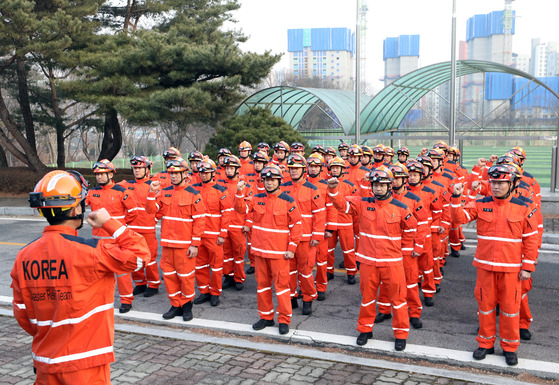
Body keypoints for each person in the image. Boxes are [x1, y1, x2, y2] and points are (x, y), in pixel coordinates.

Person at [12, 170, 150, 384]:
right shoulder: (92, 250)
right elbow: (140, 257)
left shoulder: (24, 256)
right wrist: (110, 223)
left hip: (45, 362)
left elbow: (22, 313)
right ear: (76, 207)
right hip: (86, 364)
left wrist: (51, 336)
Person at [451, 165, 539, 366]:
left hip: (511, 270)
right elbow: (458, 219)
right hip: (485, 268)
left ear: (513, 184)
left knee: (510, 309)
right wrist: (456, 199)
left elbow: (531, 239)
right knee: (485, 307)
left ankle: (509, 347)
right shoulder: (480, 203)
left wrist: (527, 267)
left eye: (501, 183)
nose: (496, 186)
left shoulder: (524, 206)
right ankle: (485, 343)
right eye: (493, 182)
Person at [328, 166, 418, 351]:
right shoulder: (362, 203)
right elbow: (342, 206)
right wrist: (334, 190)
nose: (377, 188)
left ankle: (401, 334)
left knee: (398, 299)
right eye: (375, 185)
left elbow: (411, 228)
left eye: (382, 185)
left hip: (392, 263)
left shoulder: (401, 207)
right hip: (368, 261)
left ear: (389, 186)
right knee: (367, 298)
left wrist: (400, 249)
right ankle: (365, 329)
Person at [234, 164, 303, 335]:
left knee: (282, 287)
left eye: (272, 180)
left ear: (279, 181)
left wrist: (292, 248)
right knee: (262, 286)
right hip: (260, 252)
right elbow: (240, 209)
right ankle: (265, 317)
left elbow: (297, 226)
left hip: (280, 254)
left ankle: (284, 319)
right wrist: (239, 193)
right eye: (266, 180)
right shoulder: (256, 198)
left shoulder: (288, 201)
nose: (269, 183)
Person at [145, 158, 206, 322]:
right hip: (167, 244)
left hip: (184, 245)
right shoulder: (164, 192)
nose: (172, 176)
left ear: (185, 174)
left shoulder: (194, 194)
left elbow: (200, 220)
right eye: (171, 173)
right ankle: (175, 305)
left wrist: (194, 244)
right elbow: (151, 210)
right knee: (169, 275)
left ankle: (187, 306)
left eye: (176, 173)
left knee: (185, 276)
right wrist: (152, 192)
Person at [375, 164, 428, 330]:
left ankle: (414, 313)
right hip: (388, 250)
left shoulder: (413, 199)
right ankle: (384, 309)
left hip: (407, 251)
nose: (396, 180)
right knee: (385, 283)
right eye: (394, 177)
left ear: (405, 180)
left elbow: (423, 223)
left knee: (411, 283)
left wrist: (418, 246)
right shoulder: (382, 199)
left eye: (399, 177)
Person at [86, 159, 137, 313]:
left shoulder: (122, 191)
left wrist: (121, 227)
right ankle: (100, 299)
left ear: (110, 174)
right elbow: (81, 204)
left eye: (102, 174)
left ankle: (126, 300)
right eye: (97, 175)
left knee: (122, 271)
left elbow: (133, 212)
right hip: (98, 240)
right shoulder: (92, 192)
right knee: (100, 272)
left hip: (117, 240)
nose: (99, 177)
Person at [281, 154, 326, 315]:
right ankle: (292, 296)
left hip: (306, 239)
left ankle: (307, 298)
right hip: (287, 238)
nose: (293, 171)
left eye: (297, 169)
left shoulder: (312, 189)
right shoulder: (283, 187)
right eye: (291, 168)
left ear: (303, 170)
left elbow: (320, 214)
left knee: (306, 271)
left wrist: (317, 236)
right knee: (288, 271)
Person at [119, 156, 161, 298]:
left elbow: (161, 206)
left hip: (148, 229)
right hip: (131, 228)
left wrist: (154, 218)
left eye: (140, 168)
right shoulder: (126, 185)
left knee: (150, 258)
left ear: (147, 169)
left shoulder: (154, 185)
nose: (137, 171)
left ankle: (153, 284)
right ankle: (139, 283)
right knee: (133, 257)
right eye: (135, 169)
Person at [191, 160, 230, 307]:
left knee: (216, 266)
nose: (204, 174)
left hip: (214, 235)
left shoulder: (220, 190)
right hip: (198, 235)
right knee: (200, 265)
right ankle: (204, 291)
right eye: (201, 172)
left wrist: (222, 234)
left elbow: (227, 213)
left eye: (207, 172)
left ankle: (215, 292)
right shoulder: (194, 189)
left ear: (213, 173)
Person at [218, 155, 253, 290]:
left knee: (238, 253)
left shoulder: (245, 186)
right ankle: (228, 276)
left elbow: (250, 207)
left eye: (232, 168)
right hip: (224, 225)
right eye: (227, 168)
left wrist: (248, 224)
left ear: (237, 169)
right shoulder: (220, 185)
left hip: (239, 226)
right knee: (226, 254)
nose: (229, 170)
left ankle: (239, 278)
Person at [306, 154, 337, 300]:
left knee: (321, 260)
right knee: (304, 262)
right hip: (305, 231)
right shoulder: (303, 184)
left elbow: (331, 208)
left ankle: (321, 287)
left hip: (322, 230)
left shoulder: (325, 186)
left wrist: (330, 228)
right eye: (310, 166)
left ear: (320, 168)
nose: (313, 169)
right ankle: (306, 288)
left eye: (316, 166)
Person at [326, 156, 358, 284]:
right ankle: (329, 271)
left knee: (348, 250)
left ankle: (351, 272)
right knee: (328, 249)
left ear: (342, 169)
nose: (334, 170)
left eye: (337, 168)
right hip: (330, 222)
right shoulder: (326, 184)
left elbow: (355, 204)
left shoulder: (350, 185)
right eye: (333, 168)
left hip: (345, 222)